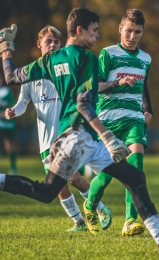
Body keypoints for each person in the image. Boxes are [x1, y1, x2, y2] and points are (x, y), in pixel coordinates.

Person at [0, 7, 159, 253]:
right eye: (93, 31)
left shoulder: (49, 59)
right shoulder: (87, 59)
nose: (96, 36)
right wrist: (108, 137)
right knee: (50, 190)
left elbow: (11, 76)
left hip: (73, 138)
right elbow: (83, 103)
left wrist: (6, 47)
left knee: (132, 178)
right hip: (80, 138)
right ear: (80, 30)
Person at [4, 25, 112, 232]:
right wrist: (13, 112)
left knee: (74, 178)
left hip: (67, 137)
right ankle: (79, 222)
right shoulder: (31, 74)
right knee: (58, 186)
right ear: (39, 44)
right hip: (46, 141)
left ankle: (99, 207)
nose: (52, 45)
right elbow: (22, 103)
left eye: (56, 42)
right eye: (48, 41)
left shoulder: (65, 69)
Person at [86, 9, 153, 237]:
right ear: (120, 29)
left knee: (136, 169)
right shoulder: (108, 53)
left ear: (142, 32)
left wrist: (148, 109)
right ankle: (90, 206)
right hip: (109, 123)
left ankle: (130, 221)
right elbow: (98, 86)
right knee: (106, 176)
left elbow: (143, 86)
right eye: (129, 30)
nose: (133, 36)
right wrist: (118, 82)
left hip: (134, 120)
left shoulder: (146, 58)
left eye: (138, 32)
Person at [0, 74, 17, 175]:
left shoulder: (6, 92)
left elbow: (12, 105)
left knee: (11, 145)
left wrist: (3, 114)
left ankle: (13, 167)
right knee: (6, 145)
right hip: (1, 124)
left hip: (8, 123)